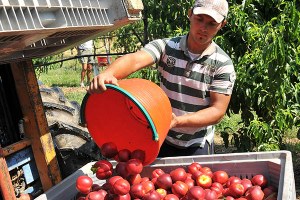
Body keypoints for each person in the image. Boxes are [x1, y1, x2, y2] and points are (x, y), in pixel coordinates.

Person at [88, 0, 236, 157]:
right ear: (190, 14)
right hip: (161, 135)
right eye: (199, 19)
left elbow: (217, 111)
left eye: (212, 23)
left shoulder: (222, 65)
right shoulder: (167, 47)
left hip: (195, 142)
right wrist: (109, 73)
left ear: (222, 25)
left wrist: (178, 121)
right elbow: (135, 59)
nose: (203, 28)